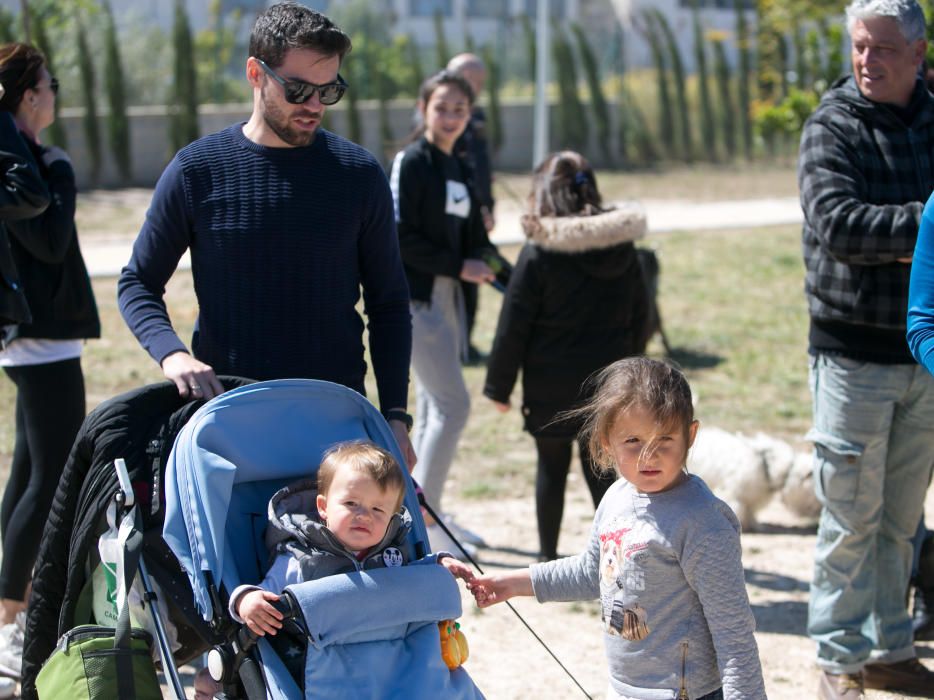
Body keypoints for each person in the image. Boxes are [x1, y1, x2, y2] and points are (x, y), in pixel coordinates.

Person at [117, 2, 415, 468]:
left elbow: (390, 304)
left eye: (329, 90)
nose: (315, 105)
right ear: (256, 74)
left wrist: (396, 414)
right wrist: (172, 354)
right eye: (298, 90)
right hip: (230, 422)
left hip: (334, 423)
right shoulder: (197, 170)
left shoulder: (359, 175)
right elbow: (137, 282)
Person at [468, 357, 766, 700]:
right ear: (607, 440)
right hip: (623, 690)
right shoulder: (616, 497)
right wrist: (514, 583)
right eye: (633, 441)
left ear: (691, 435)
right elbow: (592, 572)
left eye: (665, 439)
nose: (648, 456)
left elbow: (734, 635)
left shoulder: (703, 524)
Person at [798, 1, 934, 697]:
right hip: (851, 358)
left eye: (882, 48)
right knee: (851, 520)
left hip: (926, 356)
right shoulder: (832, 125)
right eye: (858, 46)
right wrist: (932, 222)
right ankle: (837, 660)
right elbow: (840, 226)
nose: (867, 60)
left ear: (918, 52)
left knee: (901, 521)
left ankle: (889, 649)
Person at [482, 151, 648, 561]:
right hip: (611, 384)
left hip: (549, 385)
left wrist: (498, 386)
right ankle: (618, 556)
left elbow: (513, 325)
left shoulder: (539, 253)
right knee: (606, 472)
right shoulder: (622, 248)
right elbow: (643, 313)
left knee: (551, 469)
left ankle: (546, 558)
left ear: (545, 194)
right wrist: (636, 369)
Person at [0, 42, 99, 681]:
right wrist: (57, 171)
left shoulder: (22, 159)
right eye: (50, 83)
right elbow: (51, 238)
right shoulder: (31, 166)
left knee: (29, 468)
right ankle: (13, 619)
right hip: (43, 335)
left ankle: (8, 603)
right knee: (53, 473)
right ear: (29, 96)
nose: (55, 92)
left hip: (34, 334)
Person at [389, 70, 496, 555]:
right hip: (419, 297)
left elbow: (480, 244)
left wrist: (520, 284)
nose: (451, 117)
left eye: (460, 109)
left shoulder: (462, 166)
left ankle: (428, 510)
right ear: (423, 108)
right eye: (442, 107)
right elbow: (401, 238)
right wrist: (459, 264)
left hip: (452, 297)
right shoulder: (412, 163)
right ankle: (422, 520)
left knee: (437, 407)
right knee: (454, 405)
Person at [229, 441, 474, 637]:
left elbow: (412, 579)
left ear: (392, 517)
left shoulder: (393, 551)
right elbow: (264, 593)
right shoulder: (302, 560)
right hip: (327, 662)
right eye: (351, 504)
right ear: (323, 507)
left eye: (378, 510)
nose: (364, 516)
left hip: (391, 654)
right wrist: (245, 599)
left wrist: (437, 565)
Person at [447, 53, 495, 365]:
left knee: (475, 280)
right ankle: (456, 345)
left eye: (479, 83)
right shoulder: (442, 117)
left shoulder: (475, 118)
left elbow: (479, 168)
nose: (474, 89)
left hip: (475, 212)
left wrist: (488, 206)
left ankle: (464, 343)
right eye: (469, 81)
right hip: (453, 216)